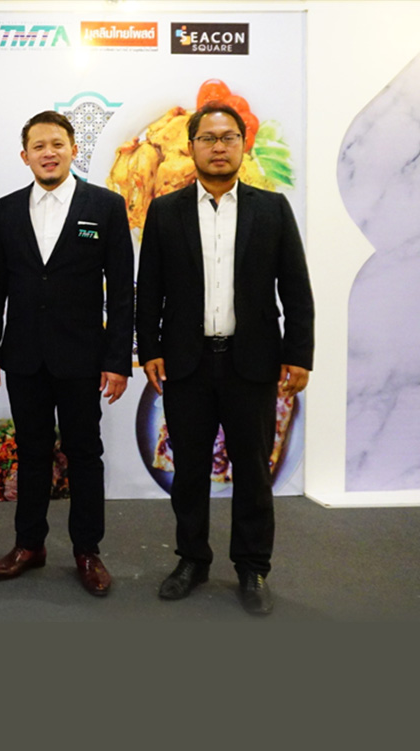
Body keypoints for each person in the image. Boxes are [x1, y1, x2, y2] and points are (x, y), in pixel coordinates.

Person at [136, 102, 314, 615]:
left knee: (254, 472)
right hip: (187, 363)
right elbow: (150, 291)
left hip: (251, 362)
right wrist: (150, 349)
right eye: (208, 138)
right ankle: (192, 559)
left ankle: (253, 567)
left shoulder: (271, 209)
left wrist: (299, 354)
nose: (219, 147)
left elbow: (296, 289)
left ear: (242, 144)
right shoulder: (165, 211)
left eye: (228, 137)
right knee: (189, 470)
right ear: (191, 146)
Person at [0, 111, 134, 595]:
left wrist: (117, 360)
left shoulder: (105, 206)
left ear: (73, 150)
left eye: (57, 144)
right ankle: (29, 545)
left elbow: (122, 291)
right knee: (32, 451)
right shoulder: (6, 209)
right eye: (39, 146)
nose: (49, 153)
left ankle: (87, 551)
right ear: (25, 156)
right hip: (23, 355)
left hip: (83, 357)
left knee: (85, 453)